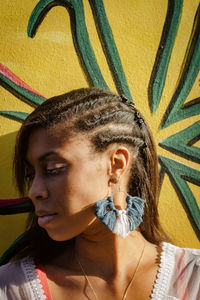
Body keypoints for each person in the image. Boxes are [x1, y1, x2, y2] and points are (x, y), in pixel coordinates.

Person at [0, 87, 199, 299]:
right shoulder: (11, 289)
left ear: (116, 164)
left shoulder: (192, 277)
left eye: (53, 169)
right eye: (31, 175)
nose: (34, 191)